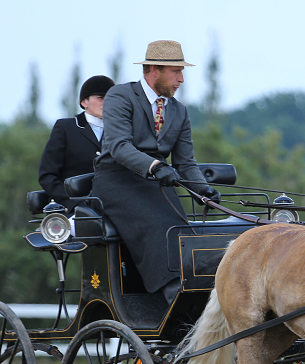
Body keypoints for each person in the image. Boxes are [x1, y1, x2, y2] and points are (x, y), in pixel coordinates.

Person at [92, 40, 219, 304]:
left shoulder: (179, 111)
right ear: (153, 70)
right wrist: (155, 166)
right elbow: (118, 146)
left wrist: (202, 190)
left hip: (156, 184)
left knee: (182, 231)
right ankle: (174, 290)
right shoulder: (120, 96)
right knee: (158, 227)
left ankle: (195, 290)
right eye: (176, 72)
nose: (181, 79)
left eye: (182, 72)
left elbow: (185, 164)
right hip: (117, 181)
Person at [38, 75, 115, 211]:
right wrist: (72, 204)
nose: (106, 102)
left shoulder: (121, 131)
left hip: (115, 208)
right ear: (84, 102)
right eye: (100, 98)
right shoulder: (66, 128)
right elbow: (48, 175)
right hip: (74, 210)